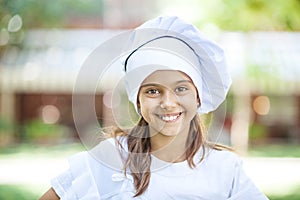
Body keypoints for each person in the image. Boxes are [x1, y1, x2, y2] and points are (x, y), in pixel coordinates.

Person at [40, 16, 268, 199]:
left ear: (198, 97)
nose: (168, 103)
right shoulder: (108, 160)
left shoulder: (225, 170)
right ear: (138, 101)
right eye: (152, 91)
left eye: (181, 89)